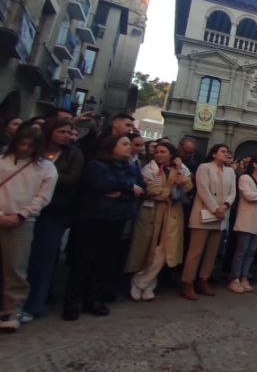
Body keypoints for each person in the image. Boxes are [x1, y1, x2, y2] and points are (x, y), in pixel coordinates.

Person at [63, 135, 145, 320]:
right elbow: (101, 184)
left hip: (116, 219)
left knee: (104, 261)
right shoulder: (96, 165)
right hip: (91, 219)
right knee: (82, 261)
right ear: (111, 146)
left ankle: (93, 299)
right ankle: (72, 301)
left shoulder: (131, 167)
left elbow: (140, 188)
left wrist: (124, 191)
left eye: (128, 144)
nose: (128, 147)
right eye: (124, 144)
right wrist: (127, 187)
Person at [22, 118, 84, 319]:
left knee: (43, 261)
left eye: (69, 132)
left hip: (54, 213)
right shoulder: (34, 149)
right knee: (19, 259)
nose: (66, 136)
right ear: (50, 132)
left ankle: (33, 304)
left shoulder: (73, 154)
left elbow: (72, 179)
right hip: (25, 208)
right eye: (62, 131)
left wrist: (46, 174)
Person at [0, 127, 58, 332]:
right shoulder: (3, 162)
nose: (25, 149)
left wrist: (21, 215)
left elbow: (43, 197)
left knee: (16, 267)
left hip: (23, 221)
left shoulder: (46, 168)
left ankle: (11, 309)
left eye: (30, 146)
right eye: (22, 144)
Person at [125, 142, 193, 301]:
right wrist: (173, 192)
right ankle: (147, 283)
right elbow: (151, 190)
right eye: (157, 152)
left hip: (171, 214)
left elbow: (188, 185)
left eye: (163, 152)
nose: (159, 154)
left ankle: (142, 282)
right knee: (148, 249)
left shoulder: (179, 168)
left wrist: (179, 183)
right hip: (151, 213)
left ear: (171, 154)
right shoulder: (148, 169)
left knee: (164, 250)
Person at [182, 144, 236, 299]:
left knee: (212, 251)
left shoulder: (230, 171)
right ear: (214, 154)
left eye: (228, 152)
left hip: (221, 215)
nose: (226, 154)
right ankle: (187, 281)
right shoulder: (204, 168)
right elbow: (203, 189)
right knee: (196, 251)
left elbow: (233, 191)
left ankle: (203, 278)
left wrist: (225, 206)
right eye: (223, 151)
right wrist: (215, 208)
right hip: (204, 213)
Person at [229, 158, 257, 294]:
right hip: (246, 216)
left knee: (252, 251)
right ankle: (234, 278)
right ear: (254, 164)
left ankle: (244, 276)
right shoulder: (245, 178)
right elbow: (248, 195)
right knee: (241, 249)